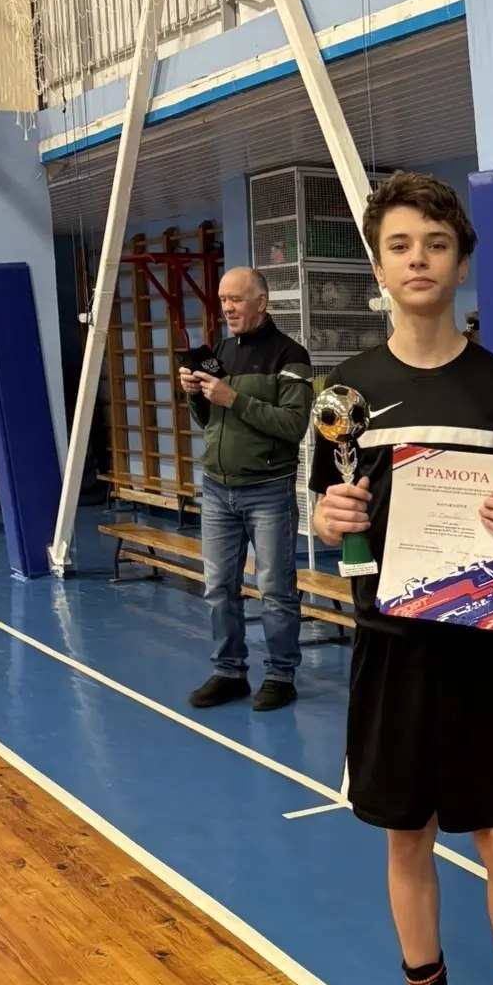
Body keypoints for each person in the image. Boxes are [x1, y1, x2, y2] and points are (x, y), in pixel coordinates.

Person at [312, 172, 493, 985]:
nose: (418, 260)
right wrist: (330, 519)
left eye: (436, 244)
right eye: (400, 246)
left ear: (461, 262)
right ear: (379, 267)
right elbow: (329, 515)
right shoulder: (347, 393)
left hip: (481, 652)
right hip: (390, 649)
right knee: (405, 838)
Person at [180, 266, 312, 713]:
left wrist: (233, 399)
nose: (228, 308)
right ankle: (229, 672)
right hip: (218, 489)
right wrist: (195, 394)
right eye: (223, 300)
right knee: (218, 586)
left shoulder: (290, 355)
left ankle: (280, 676)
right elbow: (209, 421)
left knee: (275, 588)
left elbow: (293, 425)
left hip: (268, 490)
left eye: (236, 299)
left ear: (261, 302)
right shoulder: (221, 351)